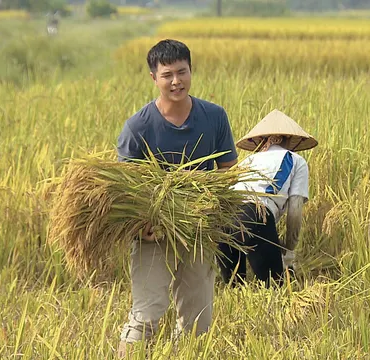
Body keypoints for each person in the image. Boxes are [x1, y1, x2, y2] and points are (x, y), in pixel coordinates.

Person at [115, 39, 238, 357]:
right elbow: (127, 188)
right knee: (146, 316)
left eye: (182, 72)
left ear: (191, 71)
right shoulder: (138, 127)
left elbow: (227, 171)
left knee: (199, 323)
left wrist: (209, 209)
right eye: (167, 74)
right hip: (152, 232)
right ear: (153, 78)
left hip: (199, 231)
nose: (176, 81)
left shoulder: (214, 117)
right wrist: (142, 223)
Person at [218, 109, 317, 288]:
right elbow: (294, 210)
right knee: (275, 288)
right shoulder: (294, 159)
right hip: (254, 214)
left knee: (235, 289)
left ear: (264, 140)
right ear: (285, 139)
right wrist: (289, 249)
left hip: (223, 220)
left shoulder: (249, 160)